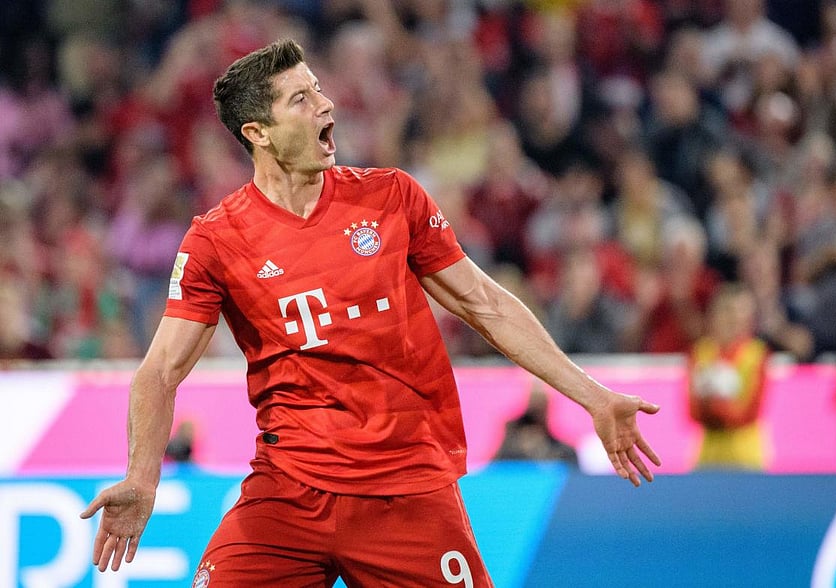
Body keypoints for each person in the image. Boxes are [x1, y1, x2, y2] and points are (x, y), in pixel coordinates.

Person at [79, 39, 661, 586]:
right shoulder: (216, 240)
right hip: (288, 492)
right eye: (301, 99)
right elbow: (160, 371)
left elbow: (483, 302)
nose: (325, 104)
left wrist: (593, 396)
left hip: (406, 491)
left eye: (319, 89)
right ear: (257, 131)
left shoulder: (391, 198)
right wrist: (142, 479)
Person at [687, 283, 770, 470]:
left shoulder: (756, 354)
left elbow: (750, 412)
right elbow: (692, 410)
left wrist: (713, 405)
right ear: (714, 315)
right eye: (728, 312)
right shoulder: (701, 353)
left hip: (746, 459)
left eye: (742, 313)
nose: (735, 319)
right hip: (708, 459)